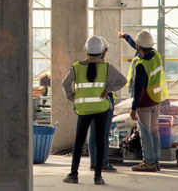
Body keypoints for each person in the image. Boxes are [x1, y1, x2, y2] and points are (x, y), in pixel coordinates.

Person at [62, 36, 127, 185]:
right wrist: (108, 89)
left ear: (86, 50)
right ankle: (98, 177)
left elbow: (65, 83)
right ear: (103, 52)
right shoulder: (107, 67)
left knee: (78, 142)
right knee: (100, 140)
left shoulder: (76, 67)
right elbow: (123, 80)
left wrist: (72, 97)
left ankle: (73, 175)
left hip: (83, 109)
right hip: (101, 108)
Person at [117, 29, 168, 172]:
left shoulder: (140, 65)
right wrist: (125, 37)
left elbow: (138, 89)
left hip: (144, 103)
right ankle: (156, 160)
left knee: (145, 133)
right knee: (154, 131)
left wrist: (133, 108)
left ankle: (149, 162)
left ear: (139, 47)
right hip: (156, 100)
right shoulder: (156, 55)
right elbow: (138, 45)